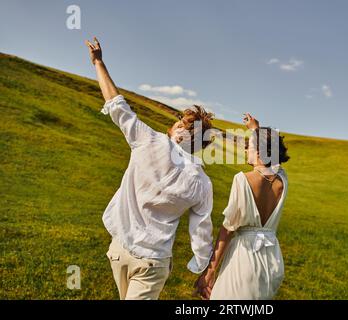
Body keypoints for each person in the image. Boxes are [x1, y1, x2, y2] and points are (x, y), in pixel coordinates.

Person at [85, 37, 214, 300]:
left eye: (181, 123)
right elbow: (201, 228)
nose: (177, 125)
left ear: (179, 130)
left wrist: (98, 63)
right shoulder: (202, 182)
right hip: (152, 262)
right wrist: (200, 263)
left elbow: (116, 104)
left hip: (120, 250)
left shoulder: (149, 141)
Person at [194, 113, 290, 300]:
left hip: (244, 258)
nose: (246, 150)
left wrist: (209, 272)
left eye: (249, 147)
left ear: (260, 152)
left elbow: (228, 230)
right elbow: (275, 162)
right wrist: (256, 130)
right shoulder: (283, 181)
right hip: (271, 260)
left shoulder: (242, 180)